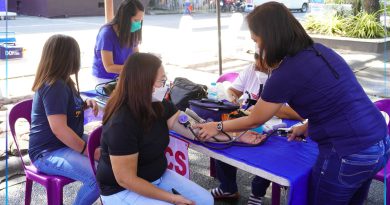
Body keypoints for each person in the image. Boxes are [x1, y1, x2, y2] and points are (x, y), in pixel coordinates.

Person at [194, 2, 389, 205]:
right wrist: (306, 126)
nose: (257, 48)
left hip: (348, 151)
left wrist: (216, 125)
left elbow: (254, 119)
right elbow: (338, 101)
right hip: (379, 142)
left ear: (270, 37)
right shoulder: (320, 51)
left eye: (257, 41)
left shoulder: (286, 71)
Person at [96, 52, 214, 205]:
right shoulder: (121, 122)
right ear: (144, 83)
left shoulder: (158, 105)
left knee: (205, 200)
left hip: (156, 176)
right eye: (162, 81)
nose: (166, 85)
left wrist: (229, 134)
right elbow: (126, 180)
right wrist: (172, 198)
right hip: (121, 190)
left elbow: (193, 130)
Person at [212, 52, 303, 205]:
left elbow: (300, 115)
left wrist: (267, 108)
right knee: (223, 139)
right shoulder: (251, 70)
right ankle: (227, 188)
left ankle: (257, 193)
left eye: (262, 61)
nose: (258, 65)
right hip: (247, 121)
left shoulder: (287, 78)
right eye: (256, 58)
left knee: (271, 153)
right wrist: (232, 97)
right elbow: (233, 91)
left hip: (275, 127)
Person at [29, 34, 100, 205]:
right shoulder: (55, 86)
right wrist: (87, 151)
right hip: (48, 152)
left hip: (62, 144)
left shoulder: (65, 82)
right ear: (68, 58)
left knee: (108, 153)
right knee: (99, 178)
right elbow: (59, 130)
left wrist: (84, 104)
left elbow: (65, 109)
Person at [92, 0, 144, 83]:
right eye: (136, 20)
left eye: (141, 20)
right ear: (124, 18)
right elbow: (109, 67)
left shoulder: (131, 31)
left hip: (123, 74)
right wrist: (134, 69)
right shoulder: (106, 34)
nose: (139, 24)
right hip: (105, 79)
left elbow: (136, 56)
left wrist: (147, 61)